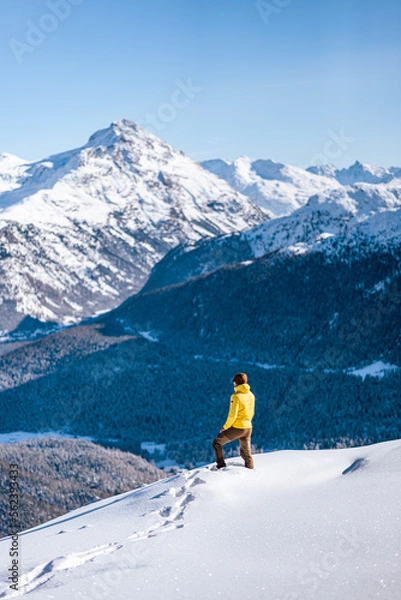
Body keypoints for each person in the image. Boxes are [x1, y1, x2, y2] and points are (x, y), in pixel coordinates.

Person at [212, 372, 255, 469]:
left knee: (217, 442)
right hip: (248, 427)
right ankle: (251, 470)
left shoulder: (235, 397)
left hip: (238, 428)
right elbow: (252, 412)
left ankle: (221, 466)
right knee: (245, 452)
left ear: (236, 382)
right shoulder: (251, 395)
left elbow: (232, 415)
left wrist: (225, 427)